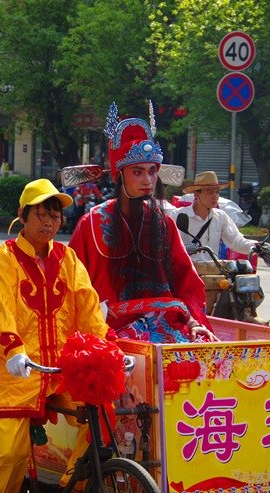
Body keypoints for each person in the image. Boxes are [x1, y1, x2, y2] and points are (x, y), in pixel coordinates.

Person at [0, 178, 113, 493]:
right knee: (10, 451)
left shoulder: (67, 258)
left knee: (102, 417)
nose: (49, 221)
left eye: (55, 214)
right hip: (15, 371)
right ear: (23, 217)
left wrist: (105, 347)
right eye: (41, 213)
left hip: (63, 369)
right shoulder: (3, 259)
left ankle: (73, 491)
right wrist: (12, 350)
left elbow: (87, 307)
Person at [69, 102, 215, 343]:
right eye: (137, 172)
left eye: (152, 171)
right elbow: (71, 287)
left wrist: (192, 319)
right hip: (109, 331)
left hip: (165, 325)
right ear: (119, 175)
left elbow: (187, 282)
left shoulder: (163, 224)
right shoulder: (92, 224)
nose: (148, 180)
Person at [170, 171, 270, 321]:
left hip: (213, 271)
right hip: (186, 271)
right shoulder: (177, 215)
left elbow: (236, 241)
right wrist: (183, 249)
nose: (214, 196)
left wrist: (257, 247)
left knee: (242, 290)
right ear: (197, 194)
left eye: (217, 192)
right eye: (209, 192)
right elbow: (167, 244)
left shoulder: (220, 217)